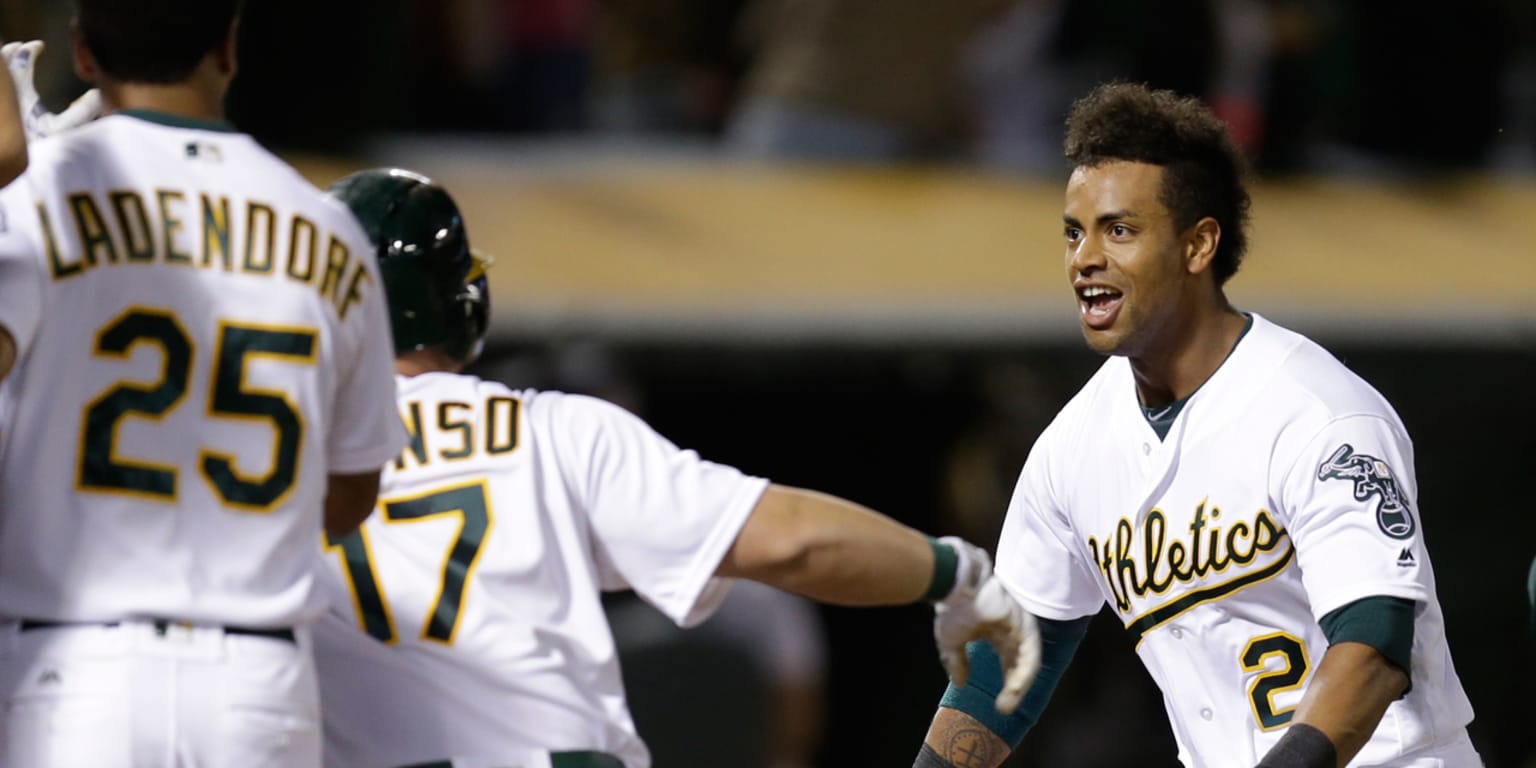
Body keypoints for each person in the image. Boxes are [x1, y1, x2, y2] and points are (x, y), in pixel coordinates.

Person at [312, 168, 1039, 768]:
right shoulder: (550, 429)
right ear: (456, 300)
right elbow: (793, 540)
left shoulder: (263, 459)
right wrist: (953, 574)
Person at [916, 82, 1478, 768]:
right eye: (1074, 232)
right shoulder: (1070, 450)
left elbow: (1374, 644)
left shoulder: (1319, 412)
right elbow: (1008, 663)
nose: (1084, 257)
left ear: (1198, 245)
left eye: (1119, 229)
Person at [0, 1, 406, 764]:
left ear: (83, 54)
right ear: (229, 46)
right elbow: (351, 493)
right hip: (255, 683)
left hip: (76, 673)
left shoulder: (36, 195)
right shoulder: (328, 226)